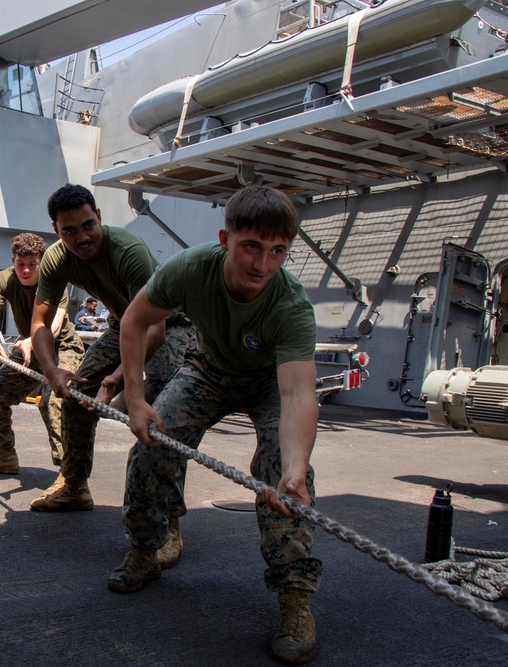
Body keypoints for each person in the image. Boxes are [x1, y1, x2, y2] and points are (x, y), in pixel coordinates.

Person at [111, 185, 320, 664]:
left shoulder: (290, 306)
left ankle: (295, 598)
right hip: (208, 368)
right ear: (226, 239)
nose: (263, 265)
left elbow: (297, 393)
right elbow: (134, 321)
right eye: (251, 246)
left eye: (277, 252)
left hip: (269, 382)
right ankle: (147, 549)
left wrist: (293, 467)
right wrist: (138, 401)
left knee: (286, 478)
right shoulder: (190, 268)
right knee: (152, 444)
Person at [28, 184, 193, 511]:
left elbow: (154, 329)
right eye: (69, 230)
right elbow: (39, 324)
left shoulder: (127, 251)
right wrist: (52, 370)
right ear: (56, 230)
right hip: (122, 323)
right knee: (75, 397)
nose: (82, 237)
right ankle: (74, 487)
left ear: (99, 217)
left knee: (160, 413)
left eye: (88, 225)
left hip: (171, 325)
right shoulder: (57, 258)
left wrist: (116, 380)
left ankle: (165, 521)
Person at [0, 232, 84, 476]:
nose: (25, 271)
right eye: (20, 264)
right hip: (27, 350)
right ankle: (5, 456)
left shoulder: (52, 280)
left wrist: (32, 339)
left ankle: (69, 476)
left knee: (54, 400)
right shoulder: (4, 279)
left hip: (61, 346)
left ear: (40, 262)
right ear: (13, 261)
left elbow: (53, 326)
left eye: (31, 265)